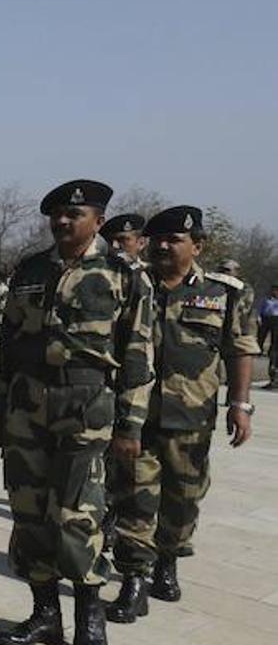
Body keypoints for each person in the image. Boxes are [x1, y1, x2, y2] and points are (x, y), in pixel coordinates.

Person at [0, 179, 153, 645]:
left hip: (86, 405)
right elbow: (7, 342)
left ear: (98, 221)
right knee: (28, 509)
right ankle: (43, 613)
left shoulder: (123, 274)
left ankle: (89, 616)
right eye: (57, 214)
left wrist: (131, 426)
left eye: (74, 214)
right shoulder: (31, 270)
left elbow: (139, 355)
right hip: (27, 402)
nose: (62, 222)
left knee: (77, 512)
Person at [104, 207, 258, 623]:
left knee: (183, 501)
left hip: (192, 418)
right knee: (134, 501)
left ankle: (167, 559)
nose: (164, 246)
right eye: (158, 239)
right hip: (136, 417)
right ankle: (134, 580)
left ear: (198, 245)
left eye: (174, 239)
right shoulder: (133, 284)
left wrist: (240, 405)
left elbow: (240, 350)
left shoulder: (225, 292)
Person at [259, 284, 278, 388]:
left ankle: (275, 378)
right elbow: (261, 310)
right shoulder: (266, 300)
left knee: (275, 346)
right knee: (262, 336)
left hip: (276, 320)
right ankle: (260, 348)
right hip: (266, 319)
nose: (274, 292)